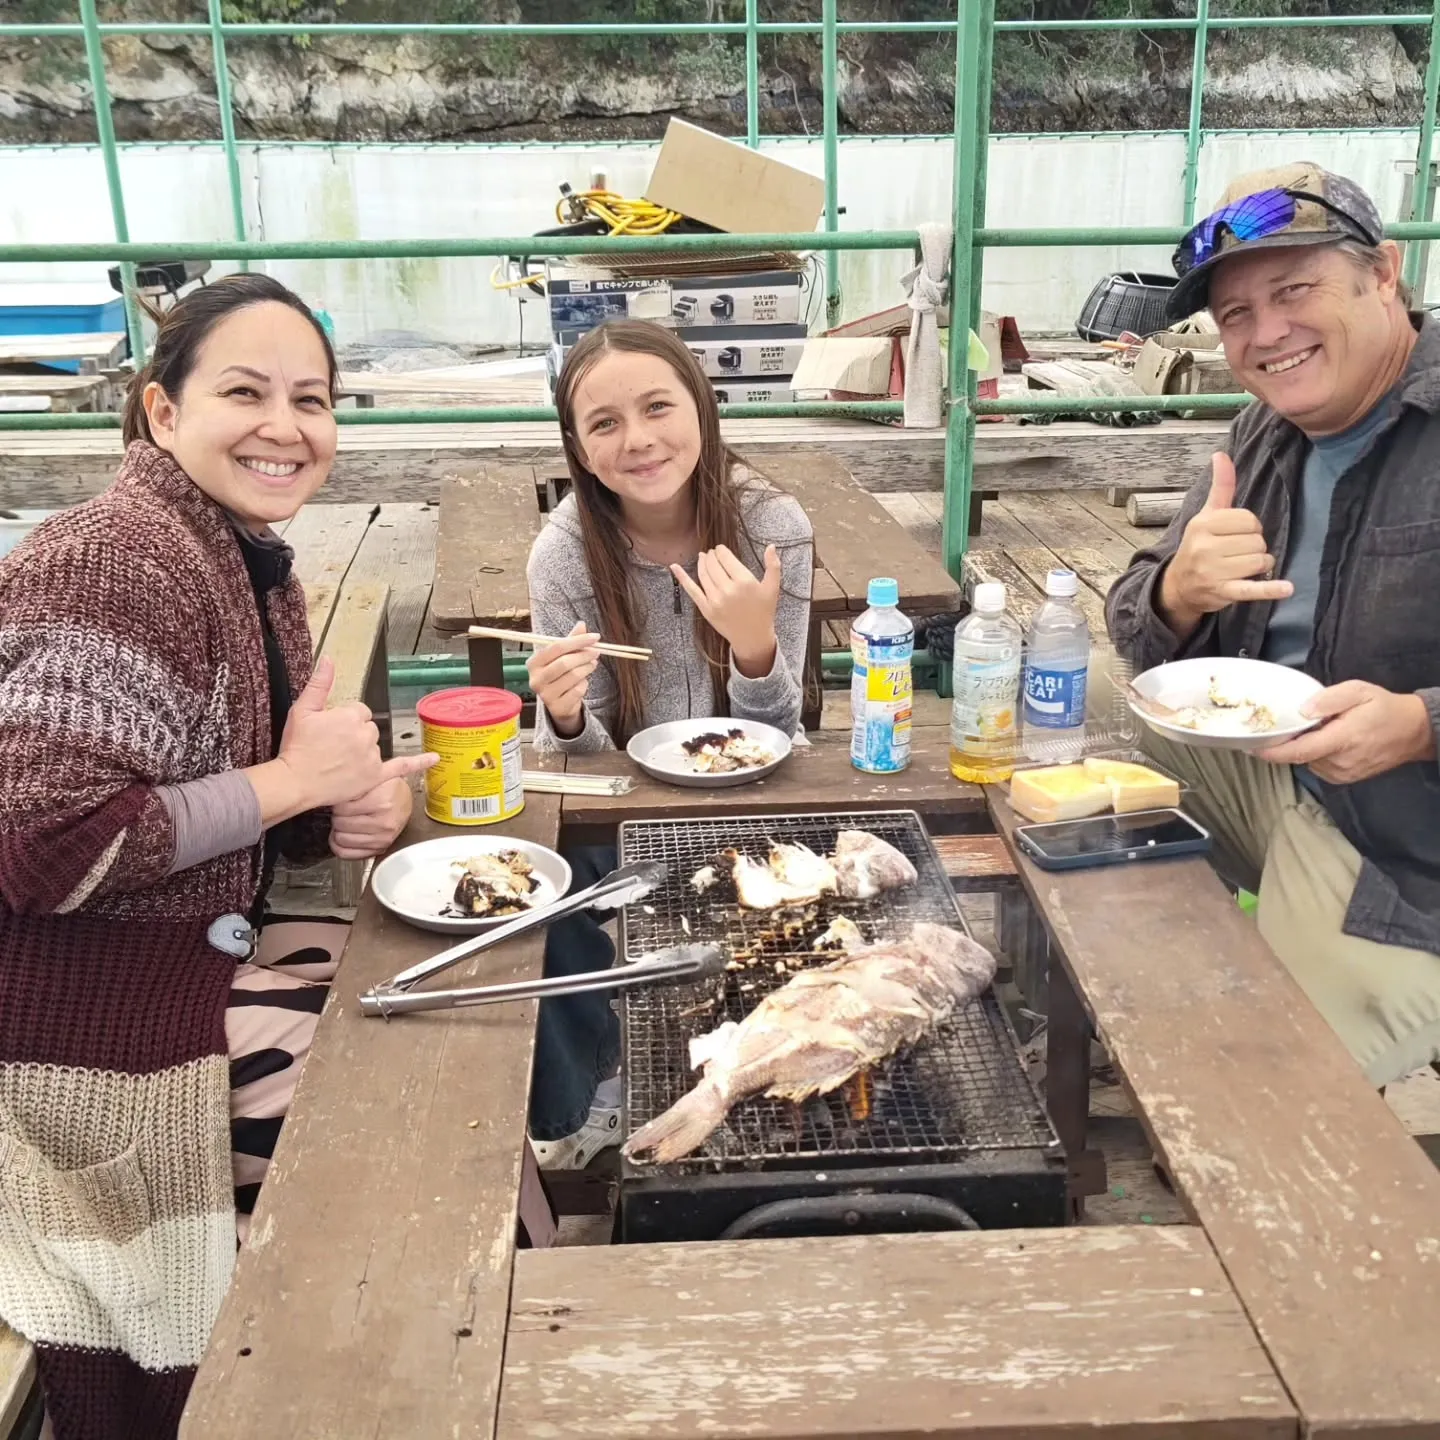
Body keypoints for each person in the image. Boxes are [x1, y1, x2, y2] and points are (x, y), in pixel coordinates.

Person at [0, 274, 435, 1440]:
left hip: (181, 957)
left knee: (442, 1009)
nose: (286, 426)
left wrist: (338, 811)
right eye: (244, 391)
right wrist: (297, 781)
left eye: (314, 398)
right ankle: (365, 1381)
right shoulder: (113, 560)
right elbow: (47, 847)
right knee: (406, 1119)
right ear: (158, 412)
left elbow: (233, 811)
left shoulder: (240, 558)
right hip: (70, 1023)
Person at [1106, 163, 1440, 1088]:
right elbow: (1132, 621)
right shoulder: (1265, 430)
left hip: (1409, 868)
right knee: (1089, 718)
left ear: (1384, 273)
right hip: (1289, 790)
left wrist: (1420, 725)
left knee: (1272, 1094)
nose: (1268, 334)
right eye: (1236, 315)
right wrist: (1178, 589)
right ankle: (1128, 981)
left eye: (1294, 290)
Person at [523, 319, 814, 1167]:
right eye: (604, 423)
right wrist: (566, 712)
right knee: (548, 895)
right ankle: (588, 1094)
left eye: (659, 407)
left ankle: (766, 1062)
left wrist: (754, 648)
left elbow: (779, 738)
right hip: (623, 815)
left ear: (704, 407)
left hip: (757, 797)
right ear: (577, 443)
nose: (638, 440)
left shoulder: (772, 524)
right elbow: (577, 765)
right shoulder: (565, 554)